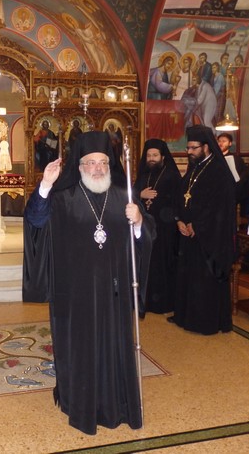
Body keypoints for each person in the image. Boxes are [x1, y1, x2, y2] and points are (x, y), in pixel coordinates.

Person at [23, 131, 155, 435]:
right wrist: (45, 185)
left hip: (114, 291)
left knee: (114, 346)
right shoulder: (64, 196)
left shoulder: (123, 195)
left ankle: (118, 403)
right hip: (75, 293)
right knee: (80, 349)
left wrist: (139, 222)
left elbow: (145, 238)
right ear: (80, 166)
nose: (98, 168)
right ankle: (79, 402)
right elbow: (36, 221)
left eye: (103, 162)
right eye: (91, 163)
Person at [169, 125, 235, 335]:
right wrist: (179, 219)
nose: (189, 152)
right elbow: (182, 196)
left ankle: (203, 322)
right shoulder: (194, 168)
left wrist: (197, 225)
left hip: (208, 238)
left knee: (203, 279)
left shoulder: (218, 172)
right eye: (188, 148)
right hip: (188, 233)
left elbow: (219, 207)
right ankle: (185, 316)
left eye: (193, 148)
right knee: (187, 276)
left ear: (206, 147)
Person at [134, 139, 182, 314]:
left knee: (162, 264)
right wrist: (140, 194)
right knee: (145, 262)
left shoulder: (172, 175)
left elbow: (178, 200)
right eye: (149, 155)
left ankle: (163, 302)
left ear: (162, 156)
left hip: (165, 229)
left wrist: (176, 219)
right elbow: (130, 197)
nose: (151, 159)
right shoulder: (143, 175)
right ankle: (145, 300)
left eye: (155, 155)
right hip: (144, 227)